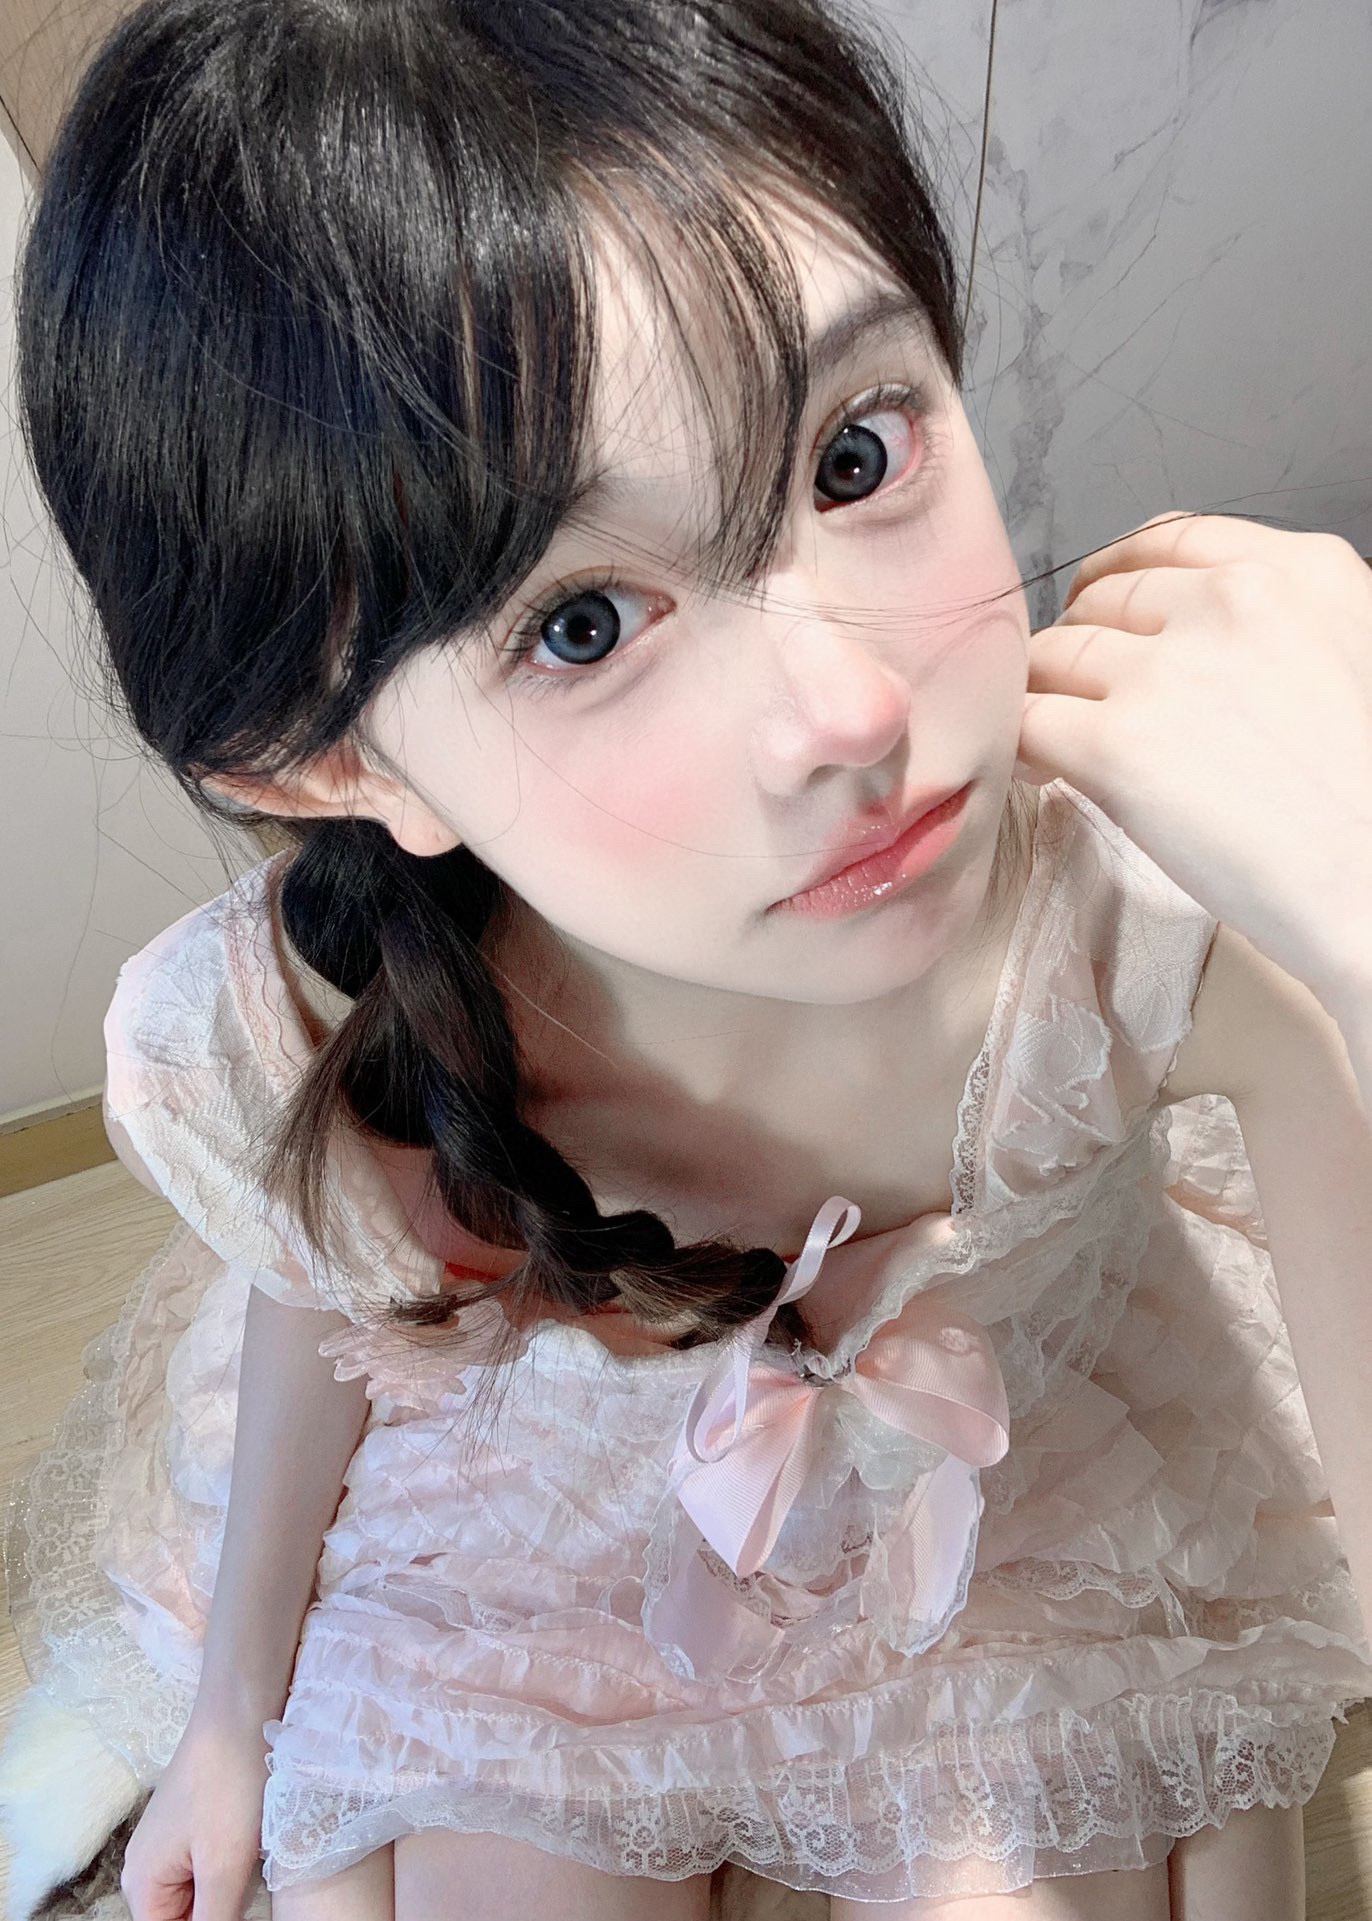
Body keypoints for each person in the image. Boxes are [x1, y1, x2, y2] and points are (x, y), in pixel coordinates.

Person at [2, 2, 1370, 1919]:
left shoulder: (1146, 916)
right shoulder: (321, 1022)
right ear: (335, 762)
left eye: (854, 454)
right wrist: (232, 1713)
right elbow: (319, 1296)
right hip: (550, 1510)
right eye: (582, 622)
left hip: (1037, 1483)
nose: (851, 712)